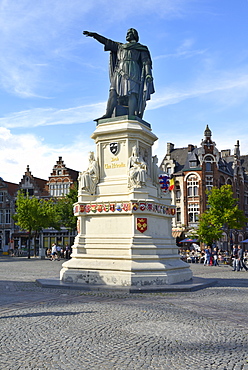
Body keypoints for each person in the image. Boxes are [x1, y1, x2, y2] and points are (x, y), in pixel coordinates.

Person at [83, 28, 155, 119]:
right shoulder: (120, 46)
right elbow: (106, 41)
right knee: (113, 92)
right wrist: (95, 35)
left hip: (133, 70)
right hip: (119, 71)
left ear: (135, 35)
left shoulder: (141, 48)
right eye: (127, 33)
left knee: (132, 93)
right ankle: (108, 114)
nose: (127, 35)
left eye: (129, 33)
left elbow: (146, 62)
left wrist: (148, 74)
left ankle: (131, 115)